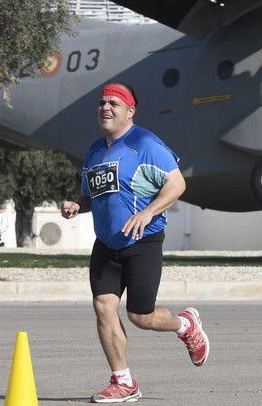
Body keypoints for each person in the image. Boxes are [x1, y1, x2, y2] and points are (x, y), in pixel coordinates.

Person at [61, 81, 209, 403]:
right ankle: (123, 381)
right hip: (107, 243)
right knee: (103, 306)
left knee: (141, 316)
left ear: (130, 111)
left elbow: (177, 184)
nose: (106, 108)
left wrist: (148, 212)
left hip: (143, 240)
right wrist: (78, 204)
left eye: (114, 103)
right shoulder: (94, 150)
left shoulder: (144, 143)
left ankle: (185, 325)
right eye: (102, 103)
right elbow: (94, 195)